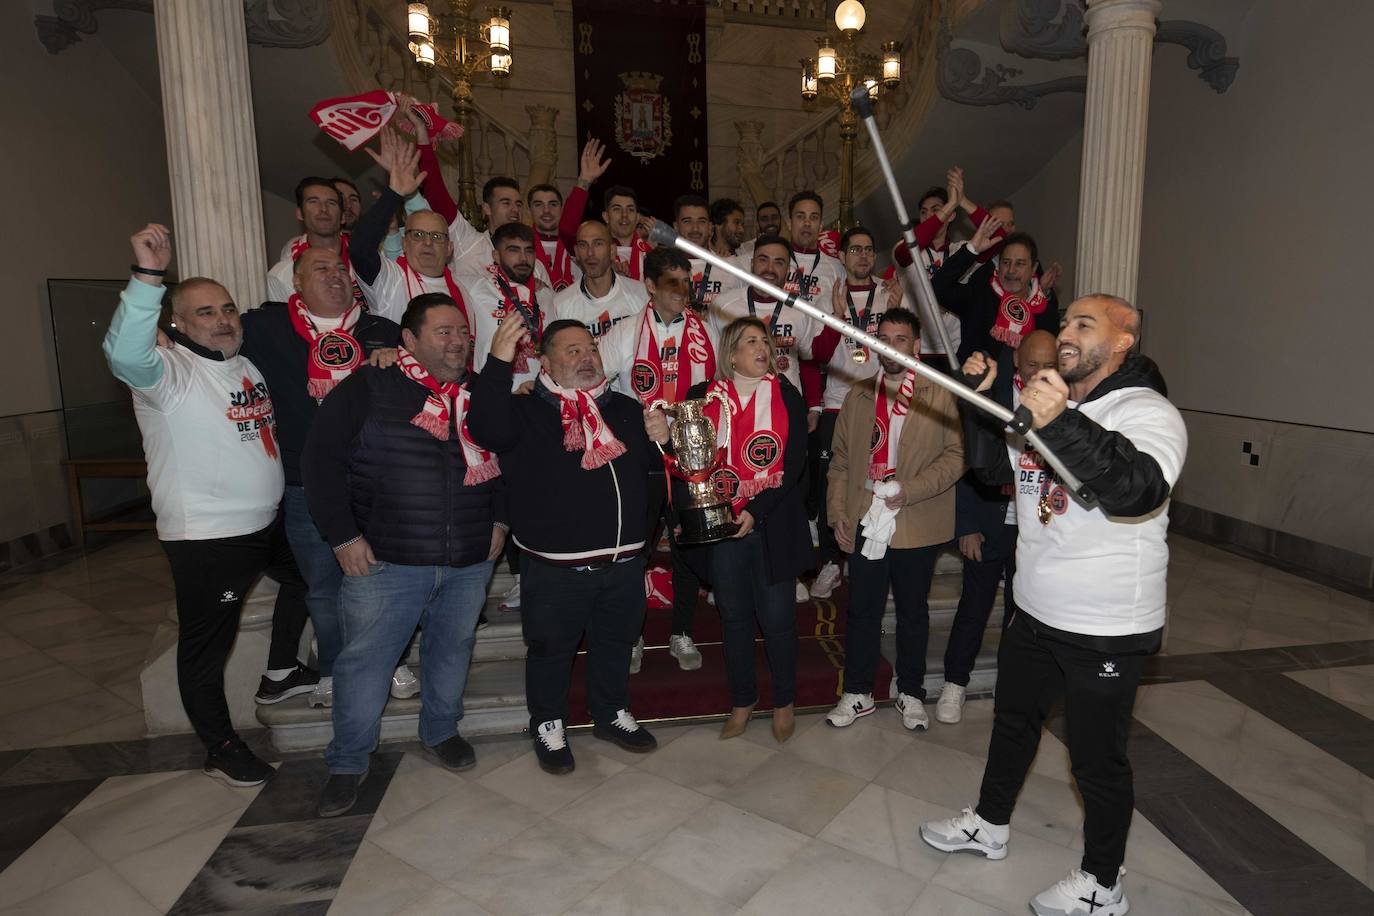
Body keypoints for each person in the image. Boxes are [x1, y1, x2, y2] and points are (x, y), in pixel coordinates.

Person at [920, 294, 1187, 916]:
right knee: (1013, 725)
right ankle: (989, 824)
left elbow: (1133, 490)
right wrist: (979, 404)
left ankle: (1102, 884)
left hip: (1107, 624)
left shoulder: (1149, 412)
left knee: (1097, 759)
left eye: (1083, 325)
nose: (1065, 332)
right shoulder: (1046, 403)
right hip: (1036, 608)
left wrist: (1056, 420)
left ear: (1124, 341)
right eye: (1064, 321)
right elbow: (996, 477)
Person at [103, 224, 309, 787]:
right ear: (176, 323)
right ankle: (220, 746)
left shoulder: (243, 365)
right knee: (206, 645)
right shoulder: (167, 374)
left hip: (264, 526)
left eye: (226, 309)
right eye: (204, 313)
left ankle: (284, 668)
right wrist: (148, 277)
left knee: (313, 578)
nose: (222, 320)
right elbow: (125, 354)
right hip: (209, 540)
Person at [303, 294, 506, 816]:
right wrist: (343, 537)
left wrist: (501, 520)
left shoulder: (483, 393)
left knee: (451, 651)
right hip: (386, 561)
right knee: (366, 664)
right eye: (442, 332)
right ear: (408, 341)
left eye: (462, 330)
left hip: (467, 558)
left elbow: (512, 456)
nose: (457, 340)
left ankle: (441, 731)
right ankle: (348, 761)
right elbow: (320, 462)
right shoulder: (370, 387)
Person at [467, 316, 661, 774]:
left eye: (590, 350)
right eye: (571, 351)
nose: (586, 358)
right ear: (546, 362)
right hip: (555, 570)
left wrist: (663, 441)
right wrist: (497, 361)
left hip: (624, 563)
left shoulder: (627, 410)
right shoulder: (526, 411)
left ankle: (611, 713)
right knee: (551, 651)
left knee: (615, 644)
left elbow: (655, 476)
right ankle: (548, 722)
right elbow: (484, 428)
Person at [240, 246, 403, 708]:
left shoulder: (381, 330)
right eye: (321, 268)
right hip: (303, 483)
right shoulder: (265, 327)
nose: (334, 276)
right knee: (324, 587)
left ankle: (389, 660)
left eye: (341, 269)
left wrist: (399, 361)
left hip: (376, 481)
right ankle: (334, 667)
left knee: (385, 580)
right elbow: (213, 338)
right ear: (295, 280)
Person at [824, 308, 964, 731]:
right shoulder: (860, 394)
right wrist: (837, 514)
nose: (890, 345)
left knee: (912, 612)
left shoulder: (939, 395)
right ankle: (858, 692)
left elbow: (956, 457)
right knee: (862, 610)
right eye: (883, 337)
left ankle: (911, 692)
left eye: (900, 338)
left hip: (916, 517)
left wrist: (913, 489)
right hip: (866, 517)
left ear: (916, 345)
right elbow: (842, 462)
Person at [687, 317, 809, 742]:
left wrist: (754, 510)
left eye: (765, 341)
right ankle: (743, 700)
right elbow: (691, 463)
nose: (762, 348)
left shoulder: (787, 394)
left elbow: (793, 465)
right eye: (751, 341)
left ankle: (784, 702)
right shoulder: (701, 397)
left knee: (777, 620)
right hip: (722, 527)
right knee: (734, 619)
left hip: (771, 523)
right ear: (731, 353)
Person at [599, 247, 720, 672]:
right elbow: (597, 384)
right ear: (649, 285)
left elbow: (717, 394)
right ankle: (632, 634)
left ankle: (681, 630)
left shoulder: (707, 332)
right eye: (671, 283)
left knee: (687, 543)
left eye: (686, 283)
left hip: (691, 450)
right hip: (641, 454)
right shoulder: (626, 331)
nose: (680, 292)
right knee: (636, 547)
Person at [937, 329, 1056, 724]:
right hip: (990, 520)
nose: (1039, 371)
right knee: (974, 605)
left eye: (1048, 364)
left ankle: (1010, 685)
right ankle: (954, 684)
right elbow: (970, 458)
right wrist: (966, 525)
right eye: (1033, 363)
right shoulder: (992, 392)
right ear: (1018, 360)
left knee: (1019, 613)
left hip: (1035, 528)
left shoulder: (1063, 404)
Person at [809, 226, 899, 600]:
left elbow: (901, 351)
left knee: (878, 479)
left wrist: (896, 313)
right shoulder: (829, 296)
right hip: (837, 401)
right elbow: (817, 356)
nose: (862, 256)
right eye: (855, 250)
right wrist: (837, 316)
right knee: (834, 483)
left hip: (880, 401)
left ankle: (874, 554)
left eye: (868, 249)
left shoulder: (889, 295)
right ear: (842, 257)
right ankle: (832, 560)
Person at [347, 131, 457, 325]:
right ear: (404, 243)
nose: (428, 242)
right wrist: (394, 193)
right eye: (418, 235)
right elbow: (360, 248)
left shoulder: (464, 291)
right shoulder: (391, 281)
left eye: (437, 236)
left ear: (449, 248)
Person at [932, 222, 1058, 363]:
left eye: (1019, 264)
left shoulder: (1044, 309)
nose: (1011, 270)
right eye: (1006, 262)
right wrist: (971, 250)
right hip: (974, 383)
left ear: (1033, 268)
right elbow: (939, 287)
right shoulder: (980, 294)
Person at [463, 222, 558, 391]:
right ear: (496, 256)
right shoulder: (475, 288)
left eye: (528, 251)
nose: (523, 258)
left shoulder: (546, 295)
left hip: (541, 397)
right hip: (494, 397)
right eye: (513, 250)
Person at [266, 177, 367, 310]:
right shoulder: (281, 275)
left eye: (331, 203)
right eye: (313, 202)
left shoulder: (367, 259)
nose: (323, 209)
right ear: (299, 214)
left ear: (343, 216)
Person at [553, 220, 649, 340]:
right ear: (576, 252)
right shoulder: (560, 304)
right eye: (583, 245)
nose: (590, 253)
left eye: (598, 244)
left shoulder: (641, 295)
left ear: (612, 251)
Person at [675, 194, 738, 311]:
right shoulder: (664, 268)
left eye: (702, 221)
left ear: (710, 227)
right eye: (687, 221)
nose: (695, 229)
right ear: (676, 227)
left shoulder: (729, 266)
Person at [528, 182, 579, 291]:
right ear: (529, 211)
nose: (546, 210)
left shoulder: (578, 245)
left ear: (561, 208)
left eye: (553, 204)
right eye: (538, 204)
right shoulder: (520, 247)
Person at [601, 184, 654, 280]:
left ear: (638, 217)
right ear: (606, 216)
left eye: (630, 209)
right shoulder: (595, 252)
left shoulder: (651, 254)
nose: (624, 215)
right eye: (617, 209)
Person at [735, 200, 782, 264]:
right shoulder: (743, 249)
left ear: (780, 220)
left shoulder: (788, 249)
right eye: (764, 219)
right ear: (758, 223)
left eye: (774, 218)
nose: (770, 222)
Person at [708, 197, 746, 261]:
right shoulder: (702, 257)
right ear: (718, 223)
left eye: (742, 224)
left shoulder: (744, 254)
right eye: (736, 223)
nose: (742, 230)